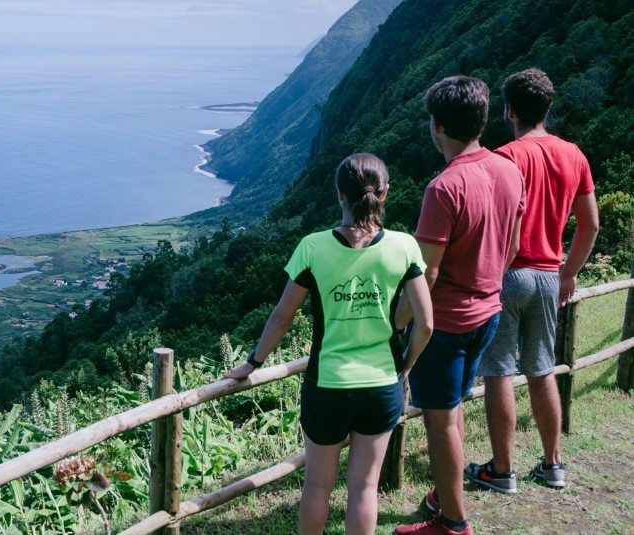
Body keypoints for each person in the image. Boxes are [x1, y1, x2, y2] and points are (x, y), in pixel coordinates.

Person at [225, 153, 433, 535]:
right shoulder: (404, 247)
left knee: (318, 485)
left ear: (339, 194)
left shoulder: (313, 247)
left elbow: (281, 317)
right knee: (364, 488)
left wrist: (252, 363)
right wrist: (404, 367)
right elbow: (426, 323)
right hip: (381, 384)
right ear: (384, 195)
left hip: (327, 386)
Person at [394, 76, 525, 535]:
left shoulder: (443, 188)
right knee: (453, 410)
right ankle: (444, 495)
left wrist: (398, 323)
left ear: (439, 127)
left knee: (442, 419)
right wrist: (486, 281)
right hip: (488, 312)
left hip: (446, 323)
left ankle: (453, 523)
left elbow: (425, 275)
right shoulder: (509, 170)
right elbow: (512, 244)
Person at [464, 68, 599, 492]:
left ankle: (502, 471)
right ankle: (552, 464)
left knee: (500, 372)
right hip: (547, 275)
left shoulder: (505, 157)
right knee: (542, 369)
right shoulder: (573, 155)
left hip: (508, 275)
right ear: (547, 108)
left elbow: (492, 224)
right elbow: (590, 225)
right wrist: (569, 273)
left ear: (510, 110)